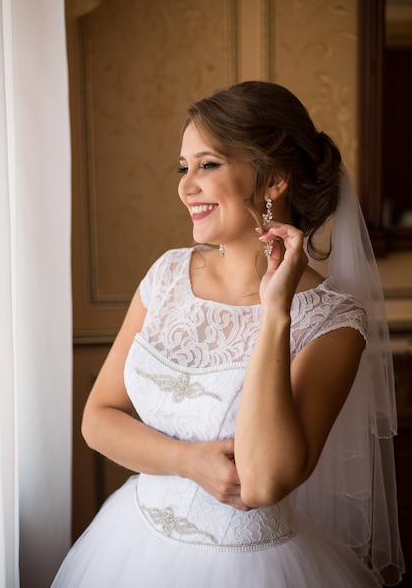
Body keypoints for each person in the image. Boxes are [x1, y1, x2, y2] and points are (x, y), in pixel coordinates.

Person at [52, 81, 404, 587]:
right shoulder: (166, 275)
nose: (185, 185)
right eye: (183, 166)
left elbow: (262, 483)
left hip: (252, 567)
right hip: (130, 545)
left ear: (274, 179)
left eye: (208, 165)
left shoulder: (334, 322)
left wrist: (275, 310)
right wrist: (189, 462)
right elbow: (97, 420)